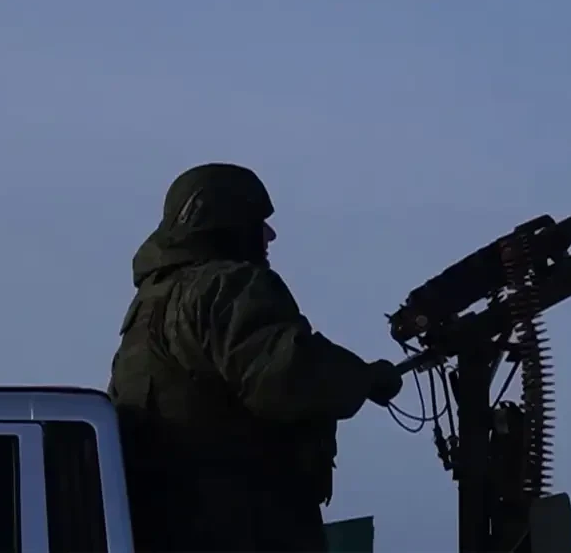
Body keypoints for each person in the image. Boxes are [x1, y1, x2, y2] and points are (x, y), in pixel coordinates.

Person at [108, 162, 405, 553]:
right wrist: (364, 378)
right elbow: (286, 376)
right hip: (239, 528)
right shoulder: (225, 286)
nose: (269, 235)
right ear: (224, 223)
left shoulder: (149, 305)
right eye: (256, 222)